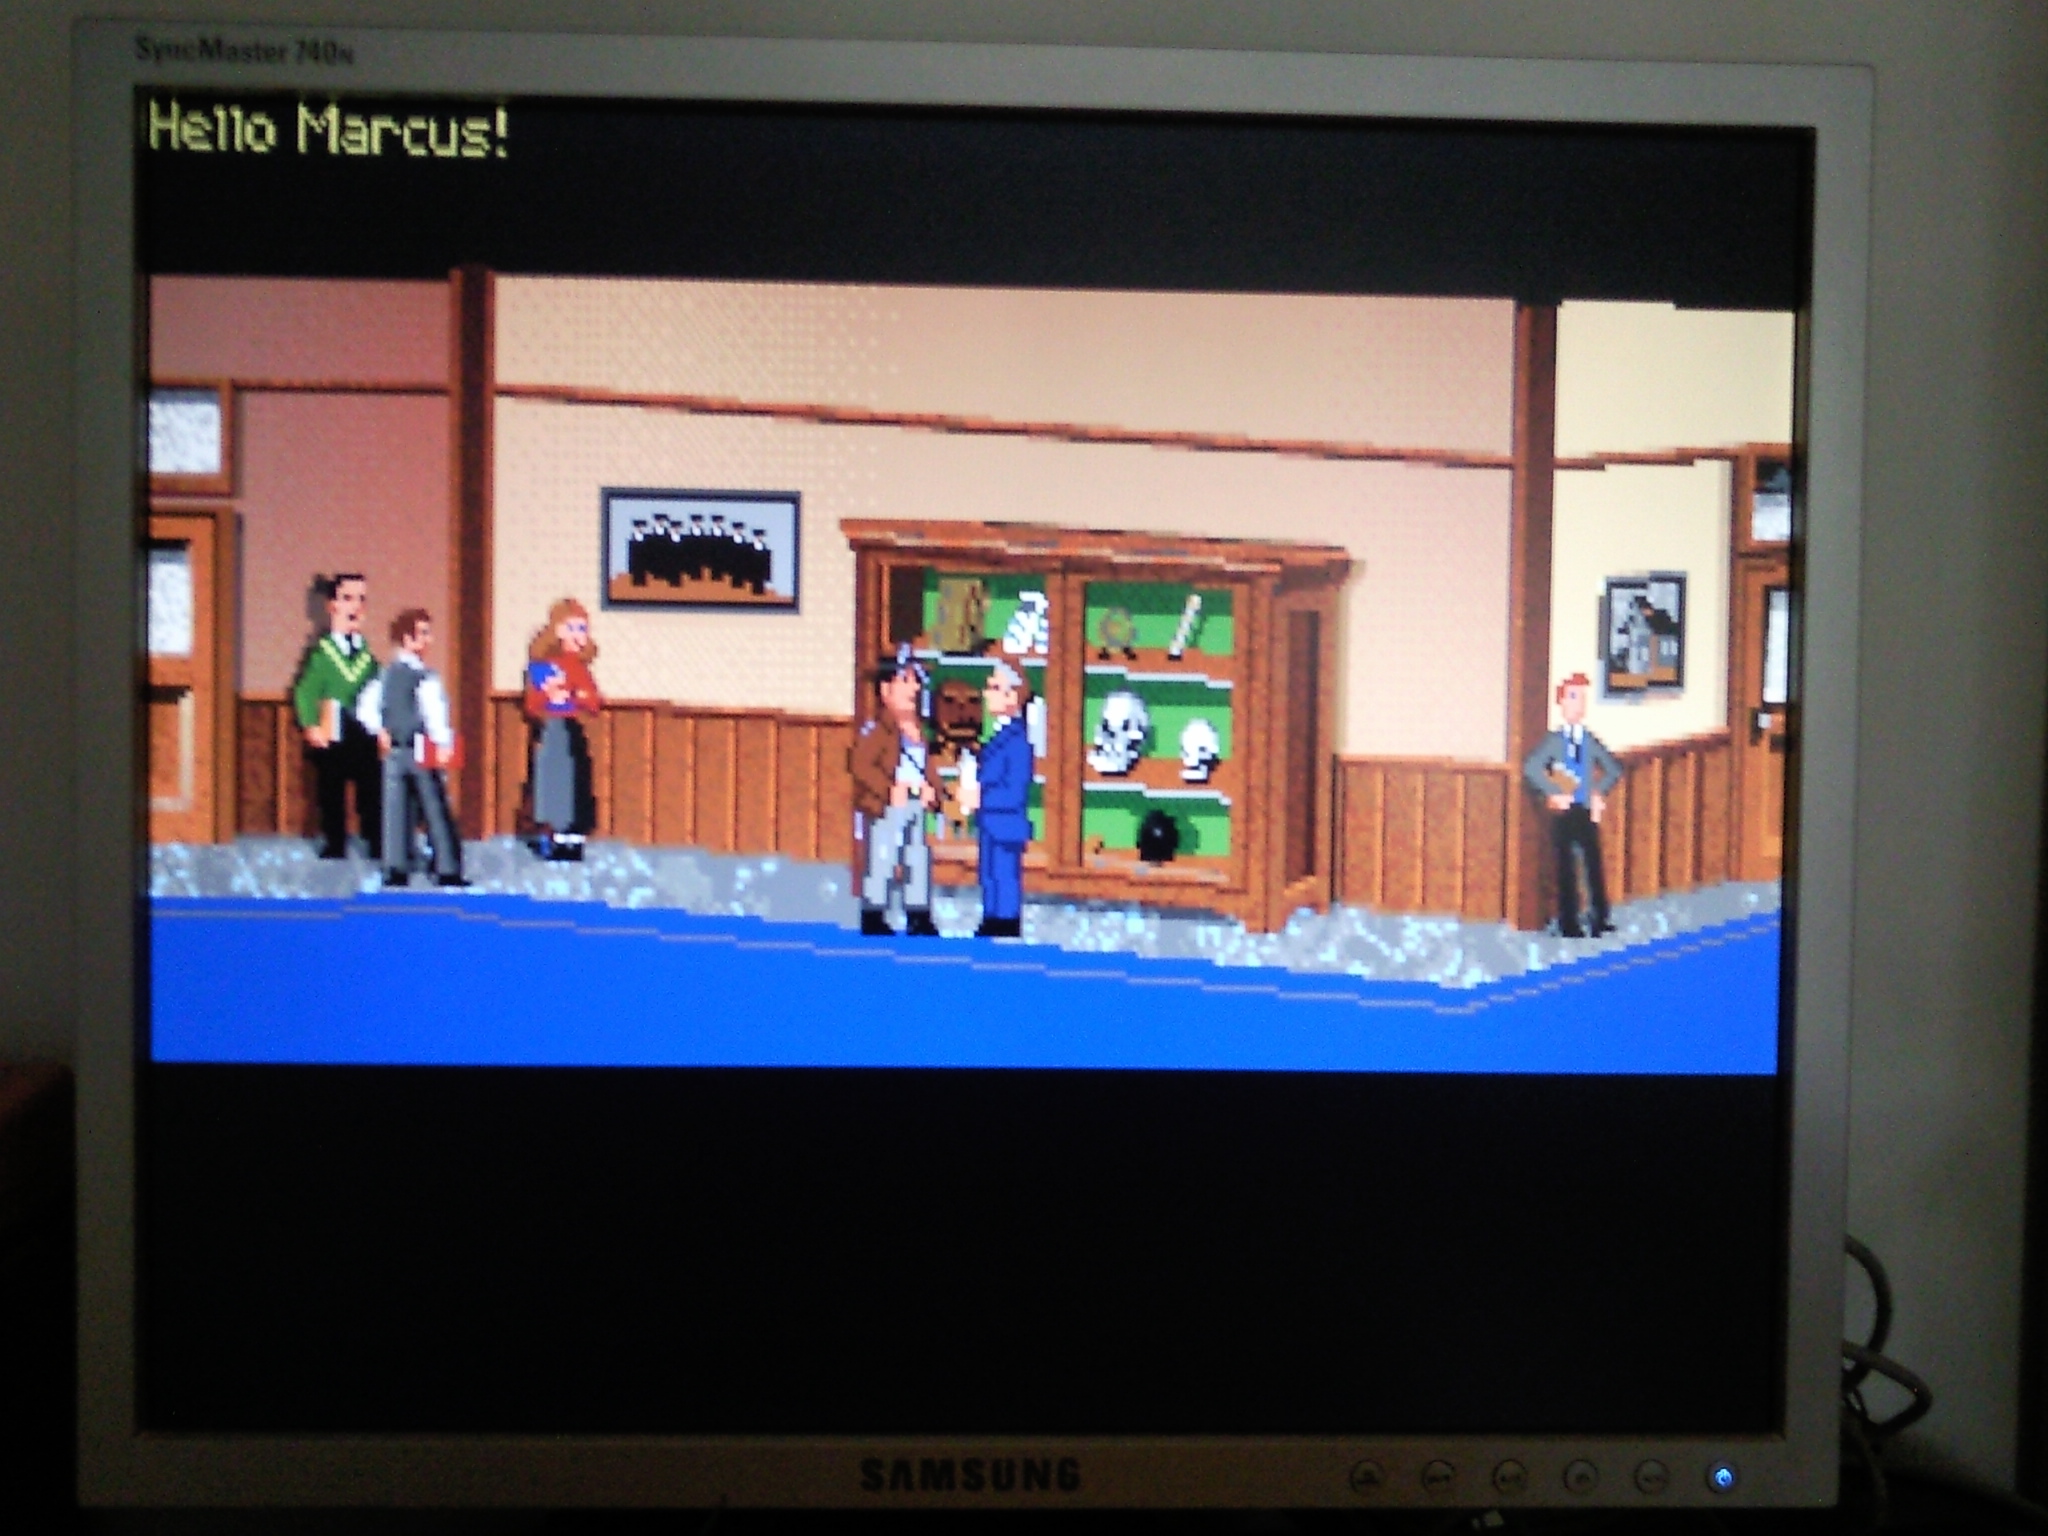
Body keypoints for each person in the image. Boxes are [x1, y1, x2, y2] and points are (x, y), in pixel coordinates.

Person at [355, 609, 465, 888]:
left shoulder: (385, 676)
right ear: (407, 638)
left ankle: (396, 868)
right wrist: (443, 743)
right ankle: (447, 867)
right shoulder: (424, 677)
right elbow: (434, 715)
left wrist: (380, 730)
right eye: (423, 633)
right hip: (420, 748)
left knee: (395, 810)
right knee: (434, 807)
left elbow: (365, 708)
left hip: (395, 752)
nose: (429, 639)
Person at [1521, 672, 1624, 937]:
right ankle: (1569, 922)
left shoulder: (1588, 740)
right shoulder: (1555, 741)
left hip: (1586, 810)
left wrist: (1598, 792)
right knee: (1566, 867)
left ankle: (1599, 917)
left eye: (1582, 698)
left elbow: (1613, 768)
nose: (1579, 704)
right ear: (1562, 702)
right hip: (1564, 812)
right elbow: (1531, 767)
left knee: (1593, 863)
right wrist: (1554, 792)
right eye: (1573, 697)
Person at [847, 648, 942, 937]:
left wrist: (933, 791)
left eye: (916, 681)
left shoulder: (918, 732)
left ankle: (918, 914)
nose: (914, 688)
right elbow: (861, 765)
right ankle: (874, 913)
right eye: (905, 680)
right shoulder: (879, 730)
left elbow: (929, 768)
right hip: (887, 806)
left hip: (915, 803)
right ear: (885, 690)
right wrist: (889, 790)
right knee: (883, 856)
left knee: (917, 856)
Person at [290, 572, 382, 860]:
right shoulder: (322, 654)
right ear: (332, 606)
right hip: (333, 728)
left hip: (363, 729)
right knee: (331, 790)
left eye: (361, 599)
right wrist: (310, 724)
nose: (355, 606)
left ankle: (376, 841)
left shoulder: (366, 656)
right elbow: (305, 691)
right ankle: (335, 843)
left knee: (371, 788)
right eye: (347, 598)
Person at [523, 598, 603, 861]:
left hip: (571, 729)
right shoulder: (541, 666)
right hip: (549, 729)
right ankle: (555, 837)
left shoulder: (579, 668)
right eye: (572, 628)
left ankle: (574, 839)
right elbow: (531, 704)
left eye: (583, 629)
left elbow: (594, 702)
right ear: (557, 630)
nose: (579, 635)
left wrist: (577, 694)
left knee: (576, 782)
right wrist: (548, 694)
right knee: (552, 784)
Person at [958, 660, 1033, 939]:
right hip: (990, 823)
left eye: (993, 687)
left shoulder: (1018, 741)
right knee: (989, 874)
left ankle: (1005, 921)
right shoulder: (999, 737)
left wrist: (980, 798)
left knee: (1004, 875)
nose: (986, 693)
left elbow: (1014, 792)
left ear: (1012, 696)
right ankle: (992, 918)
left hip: (1006, 824)